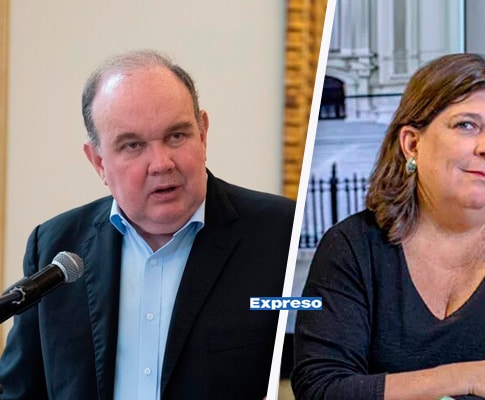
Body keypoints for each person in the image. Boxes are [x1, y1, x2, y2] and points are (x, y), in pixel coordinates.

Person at [292, 53, 485, 400]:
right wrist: (466, 377)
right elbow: (321, 389)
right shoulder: (351, 245)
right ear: (412, 143)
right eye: (467, 125)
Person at [0, 50, 295, 399]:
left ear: (203, 133)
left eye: (176, 136)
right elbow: (19, 392)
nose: (161, 163)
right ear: (98, 162)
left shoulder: (280, 233)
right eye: (133, 145)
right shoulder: (55, 247)